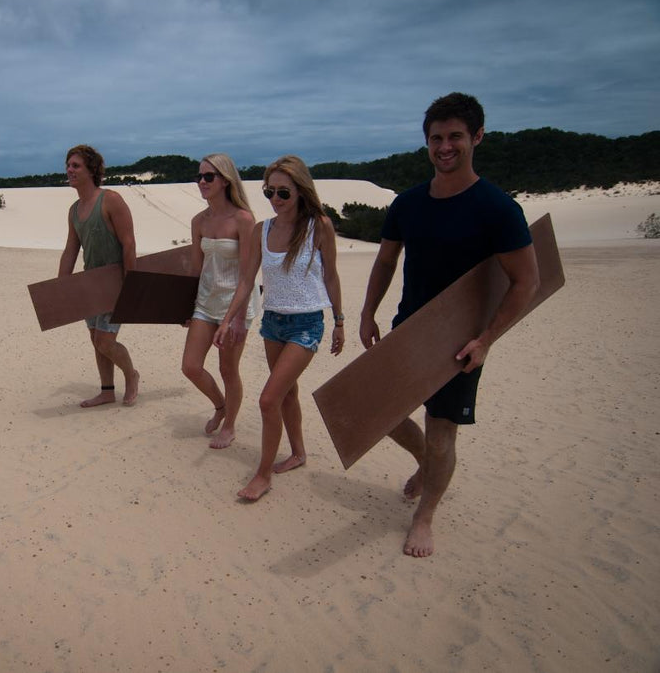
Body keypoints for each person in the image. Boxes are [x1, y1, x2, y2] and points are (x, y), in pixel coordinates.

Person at [359, 92, 540, 557]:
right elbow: (384, 261)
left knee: (442, 433)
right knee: (377, 413)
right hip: (409, 327)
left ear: (476, 137)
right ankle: (427, 464)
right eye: (436, 138)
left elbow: (526, 281)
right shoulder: (408, 203)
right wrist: (367, 312)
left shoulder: (498, 208)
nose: (445, 146)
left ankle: (425, 516)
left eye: (455, 136)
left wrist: (486, 340)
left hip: (462, 340)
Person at [215, 155, 344, 501]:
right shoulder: (262, 230)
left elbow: (330, 275)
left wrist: (340, 321)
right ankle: (299, 453)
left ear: (301, 191)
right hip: (273, 322)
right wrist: (228, 319)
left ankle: (262, 475)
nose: (275, 200)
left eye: (283, 193)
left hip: (306, 324)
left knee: (268, 399)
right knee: (287, 393)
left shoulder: (320, 226)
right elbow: (246, 280)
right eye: (269, 192)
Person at [181, 154, 260, 449]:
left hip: (236, 304)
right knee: (190, 366)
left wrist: (235, 319)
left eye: (209, 176)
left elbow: (248, 274)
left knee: (228, 370)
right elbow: (196, 269)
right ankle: (220, 405)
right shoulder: (198, 221)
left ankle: (230, 425)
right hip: (205, 302)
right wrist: (186, 307)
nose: (202, 182)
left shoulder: (243, 219)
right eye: (199, 176)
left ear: (225, 180)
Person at [58, 144, 140, 408]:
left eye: (75, 165)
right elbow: (71, 249)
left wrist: (132, 284)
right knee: (95, 339)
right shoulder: (74, 210)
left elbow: (129, 243)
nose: (69, 170)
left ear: (92, 169)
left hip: (115, 280)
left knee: (105, 340)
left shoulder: (111, 200)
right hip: (90, 283)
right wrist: (61, 286)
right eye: (68, 165)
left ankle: (131, 374)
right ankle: (107, 391)